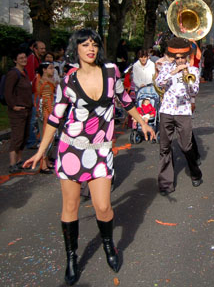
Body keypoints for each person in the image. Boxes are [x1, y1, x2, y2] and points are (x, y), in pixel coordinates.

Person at [23, 29, 155, 286]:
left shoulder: (111, 73)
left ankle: (109, 247)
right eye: (85, 45)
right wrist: (41, 151)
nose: (90, 49)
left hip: (100, 151)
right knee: (70, 207)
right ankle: (71, 258)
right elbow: (54, 118)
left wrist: (143, 123)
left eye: (94, 44)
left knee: (103, 206)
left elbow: (125, 100)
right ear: (77, 49)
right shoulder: (69, 80)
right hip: (71, 149)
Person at [154, 37, 203, 195]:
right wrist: (172, 72)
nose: (180, 60)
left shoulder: (193, 70)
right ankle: (166, 183)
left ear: (187, 56)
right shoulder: (166, 67)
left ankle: (195, 173)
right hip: (167, 111)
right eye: (177, 58)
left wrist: (186, 75)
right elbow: (159, 83)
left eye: (183, 57)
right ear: (173, 57)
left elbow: (194, 91)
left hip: (183, 112)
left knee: (186, 146)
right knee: (164, 147)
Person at [4, 49, 33, 173]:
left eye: (25, 58)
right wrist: (13, 105)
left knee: (24, 135)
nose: (24, 60)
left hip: (27, 108)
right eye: (20, 58)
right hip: (18, 110)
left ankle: (19, 160)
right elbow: (7, 92)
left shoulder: (24, 72)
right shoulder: (14, 74)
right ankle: (12, 163)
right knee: (17, 136)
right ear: (15, 60)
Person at [35, 62, 57, 173]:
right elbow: (47, 101)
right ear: (44, 70)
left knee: (50, 138)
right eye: (50, 68)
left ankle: (47, 161)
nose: (53, 70)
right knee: (46, 137)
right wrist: (52, 114)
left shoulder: (47, 81)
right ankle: (43, 164)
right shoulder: (45, 82)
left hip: (47, 111)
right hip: (46, 113)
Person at [25, 40, 46, 149]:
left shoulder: (37, 59)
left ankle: (34, 138)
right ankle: (31, 141)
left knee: (36, 116)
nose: (43, 50)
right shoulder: (32, 59)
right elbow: (31, 78)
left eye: (44, 48)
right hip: (33, 93)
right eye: (41, 48)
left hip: (37, 93)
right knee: (33, 117)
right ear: (34, 48)